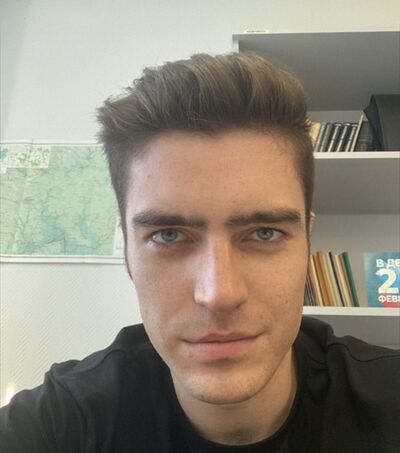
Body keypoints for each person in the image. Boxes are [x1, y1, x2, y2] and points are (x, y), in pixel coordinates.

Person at [0, 52, 399, 453]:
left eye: (264, 233)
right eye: (169, 235)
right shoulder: (58, 424)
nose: (220, 294)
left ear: (307, 244)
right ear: (128, 254)